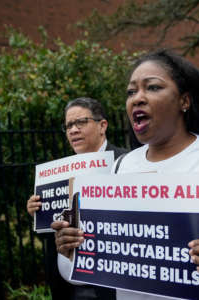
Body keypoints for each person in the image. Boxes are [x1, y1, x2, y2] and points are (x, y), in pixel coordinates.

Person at [52, 49, 199, 300]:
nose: (137, 98)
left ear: (184, 101)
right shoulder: (120, 167)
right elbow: (96, 266)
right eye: (131, 91)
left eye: (153, 87)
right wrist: (73, 248)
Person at [27, 97, 128, 300]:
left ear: (102, 125)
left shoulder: (128, 163)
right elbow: (52, 230)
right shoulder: (58, 171)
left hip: (110, 287)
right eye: (68, 125)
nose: (73, 130)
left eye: (80, 122)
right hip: (67, 287)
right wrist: (37, 213)